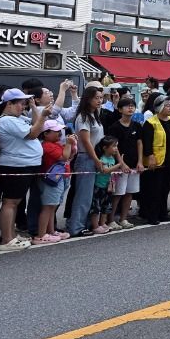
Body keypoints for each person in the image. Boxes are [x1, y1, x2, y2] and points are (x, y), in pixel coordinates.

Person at [0, 88, 45, 251]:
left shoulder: (17, 118)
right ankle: (7, 239)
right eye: (21, 103)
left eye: (25, 103)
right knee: (10, 202)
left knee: (15, 203)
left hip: (23, 164)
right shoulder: (7, 121)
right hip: (15, 165)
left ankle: (11, 235)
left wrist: (35, 108)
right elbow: (33, 133)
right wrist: (43, 116)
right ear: (9, 104)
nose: (23, 107)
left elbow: (36, 125)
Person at [67, 86, 105, 238]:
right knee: (83, 194)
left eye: (101, 98)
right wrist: (96, 159)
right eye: (96, 98)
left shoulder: (94, 115)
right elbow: (86, 141)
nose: (99, 101)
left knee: (91, 194)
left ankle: (86, 222)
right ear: (88, 99)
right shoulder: (83, 117)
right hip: (86, 157)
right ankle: (76, 226)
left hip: (95, 156)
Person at [140, 97, 170, 224]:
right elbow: (147, 141)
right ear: (159, 107)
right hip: (157, 161)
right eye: (167, 105)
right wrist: (150, 156)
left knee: (166, 188)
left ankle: (163, 213)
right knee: (154, 189)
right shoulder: (151, 122)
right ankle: (152, 215)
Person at [34, 121, 75, 244]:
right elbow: (64, 157)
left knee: (52, 206)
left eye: (59, 131)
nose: (59, 133)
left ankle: (50, 231)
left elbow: (69, 156)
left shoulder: (55, 144)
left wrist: (71, 146)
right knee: (48, 207)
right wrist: (68, 144)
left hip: (59, 178)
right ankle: (41, 235)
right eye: (56, 131)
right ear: (45, 133)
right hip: (51, 180)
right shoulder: (47, 146)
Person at [106, 98, 143, 229]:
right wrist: (121, 163)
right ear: (120, 109)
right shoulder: (114, 127)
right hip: (120, 166)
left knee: (129, 192)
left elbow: (139, 143)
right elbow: (114, 147)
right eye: (127, 106)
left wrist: (140, 161)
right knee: (118, 193)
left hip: (134, 164)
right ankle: (111, 220)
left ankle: (123, 218)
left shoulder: (137, 125)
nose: (130, 108)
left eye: (132, 106)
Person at [90, 136, 123, 234]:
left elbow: (111, 170)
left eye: (116, 146)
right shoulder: (102, 158)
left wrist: (117, 170)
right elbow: (105, 170)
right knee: (96, 206)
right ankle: (95, 226)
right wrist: (119, 164)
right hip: (98, 186)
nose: (116, 148)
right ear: (105, 148)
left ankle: (103, 223)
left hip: (108, 186)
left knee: (106, 205)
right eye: (113, 146)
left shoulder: (112, 159)